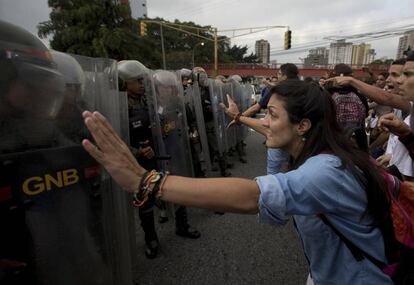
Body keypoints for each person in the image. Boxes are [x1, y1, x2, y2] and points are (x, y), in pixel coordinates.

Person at [82, 80, 394, 284]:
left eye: (271, 114)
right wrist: (240, 117)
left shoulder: (324, 171)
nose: (265, 122)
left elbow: (250, 195)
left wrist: (147, 181)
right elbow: (269, 130)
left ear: (303, 125)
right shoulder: (330, 152)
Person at [117, 60, 200, 259]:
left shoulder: (149, 100)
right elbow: (114, 138)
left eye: (142, 80)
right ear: (123, 83)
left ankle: (182, 225)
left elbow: (164, 120)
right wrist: (137, 152)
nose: (141, 84)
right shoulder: (118, 107)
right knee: (146, 201)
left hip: (162, 155)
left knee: (176, 189)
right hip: (140, 163)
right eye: (136, 81)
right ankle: (151, 239)